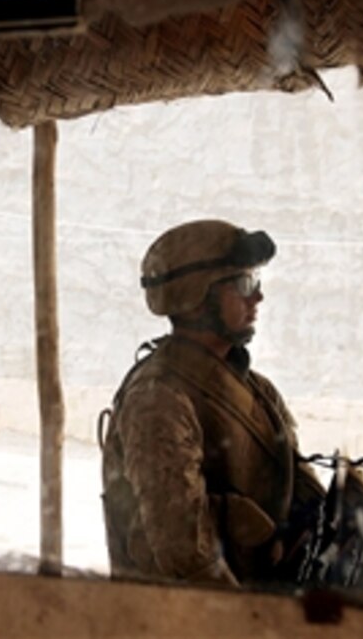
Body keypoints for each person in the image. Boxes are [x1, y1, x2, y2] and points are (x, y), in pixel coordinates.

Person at [99, 219, 325, 588]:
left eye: (257, 283)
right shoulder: (158, 398)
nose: (258, 298)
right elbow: (182, 549)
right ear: (195, 296)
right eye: (244, 285)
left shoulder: (258, 388)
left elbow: (298, 486)